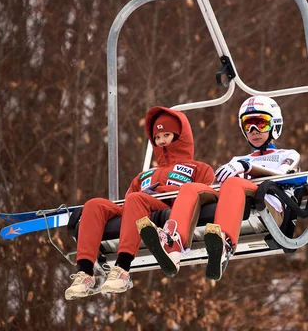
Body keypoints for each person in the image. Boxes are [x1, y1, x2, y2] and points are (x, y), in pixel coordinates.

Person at [137, 96, 300, 281]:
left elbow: (283, 176)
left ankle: (225, 242)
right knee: (191, 188)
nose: (254, 131)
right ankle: (173, 247)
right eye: (248, 125)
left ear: (275, 125)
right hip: (234, 199)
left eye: (260, 124)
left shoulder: (287, 155)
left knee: (233, 182)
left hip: (268, 204)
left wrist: (247, 168)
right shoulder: (237, 160)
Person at [64, 106, 214, 299]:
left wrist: (160, 191)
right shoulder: (145, 175)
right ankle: (85, 273)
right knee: (94, 204)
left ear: (180, 136)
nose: (161, 141)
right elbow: (127, 201)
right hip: (137, 206)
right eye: (157, 137)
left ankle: (123, 268)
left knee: (136, 198)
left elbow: (200, 194)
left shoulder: (199, 168)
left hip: (169, 209)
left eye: (166, 135)